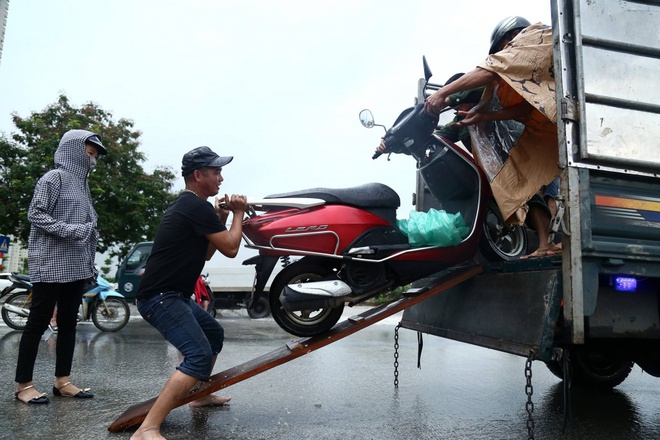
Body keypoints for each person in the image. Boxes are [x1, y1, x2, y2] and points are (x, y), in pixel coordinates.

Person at [131, 146, 247, 440]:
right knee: (197, 355)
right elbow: (232, 248)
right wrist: (239, 213)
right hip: (160, 297)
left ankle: (199, 394)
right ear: (198, 175)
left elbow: (209, 253)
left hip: (173, 295)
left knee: (213, 334)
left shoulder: (194, 206)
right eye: (216, 171)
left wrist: (221, 216)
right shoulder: (194, 206)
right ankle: (147, 429)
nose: (221, 178)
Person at [424, 16, 561, 257]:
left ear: (511, 36)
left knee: (549, 196)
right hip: (545, 144)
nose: (503, 54)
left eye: (501, 49)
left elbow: (490, 72)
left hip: (550, 143)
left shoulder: (532, 40)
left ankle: (549, 244)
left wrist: (445, 95)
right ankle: (546, 245)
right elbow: (522, 109)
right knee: (530, 195)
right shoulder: (468, 121)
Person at [14, 129, 106, 404]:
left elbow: (88, 229)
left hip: (77, 265)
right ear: (73, 151)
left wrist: (89, 259)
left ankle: (62, 382)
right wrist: (71, 230)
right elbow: (35, 213)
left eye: (94, 156)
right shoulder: (53, 178)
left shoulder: (83, 185)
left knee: (68, 324)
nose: (92, 160)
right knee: (38, 323)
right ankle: (24, 386)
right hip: (51, 262)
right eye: (89, 154)